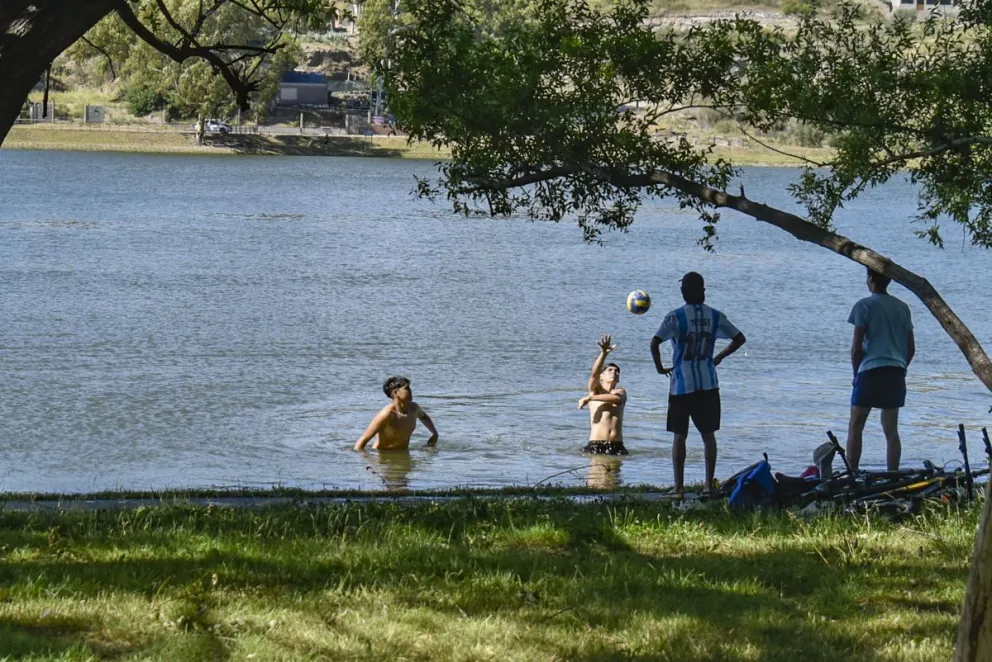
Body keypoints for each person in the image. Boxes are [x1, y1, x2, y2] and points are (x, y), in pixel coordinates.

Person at [650, 272, 746, 495]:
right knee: (708, 436)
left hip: (682, 384)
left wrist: (659, 367)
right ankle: (707, 484)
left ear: (683, 291)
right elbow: (739, 338)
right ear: (703, 290)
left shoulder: (674, 317)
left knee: (679, 436)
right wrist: (720, 356)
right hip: (708, 383)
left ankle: (679, 486)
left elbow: (654, 343)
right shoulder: (715, 316)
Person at [846, 267, 915, 472]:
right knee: (891, 431)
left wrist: (855, 374)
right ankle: (893, 474)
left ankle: (853, 472)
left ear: (871, 280)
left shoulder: (863, 306)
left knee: (856, 425)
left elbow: (856, 348)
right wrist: (901, 367)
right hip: (895, 371)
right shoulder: (903, 307)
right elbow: (911, 348)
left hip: (870, 370)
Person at [354, 376, 439, 451]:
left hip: (403, 455)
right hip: (383, 459)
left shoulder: (414, 408)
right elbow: (362, 441)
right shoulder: (387, 414)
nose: (411, 391)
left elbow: (424, 417)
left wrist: (434, 434)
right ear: (395, 393)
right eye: (407, 388)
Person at [578, 334, 628, 455]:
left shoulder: (620, 392)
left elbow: (616, 399)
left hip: (617, 446)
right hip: (596, 444)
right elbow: (594, 373)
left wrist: (590, 398)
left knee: (615, 475)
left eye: (617, 371)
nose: (614, 372)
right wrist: (604, 353)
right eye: (610, 370)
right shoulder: (596, 390)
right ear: (601, 376)